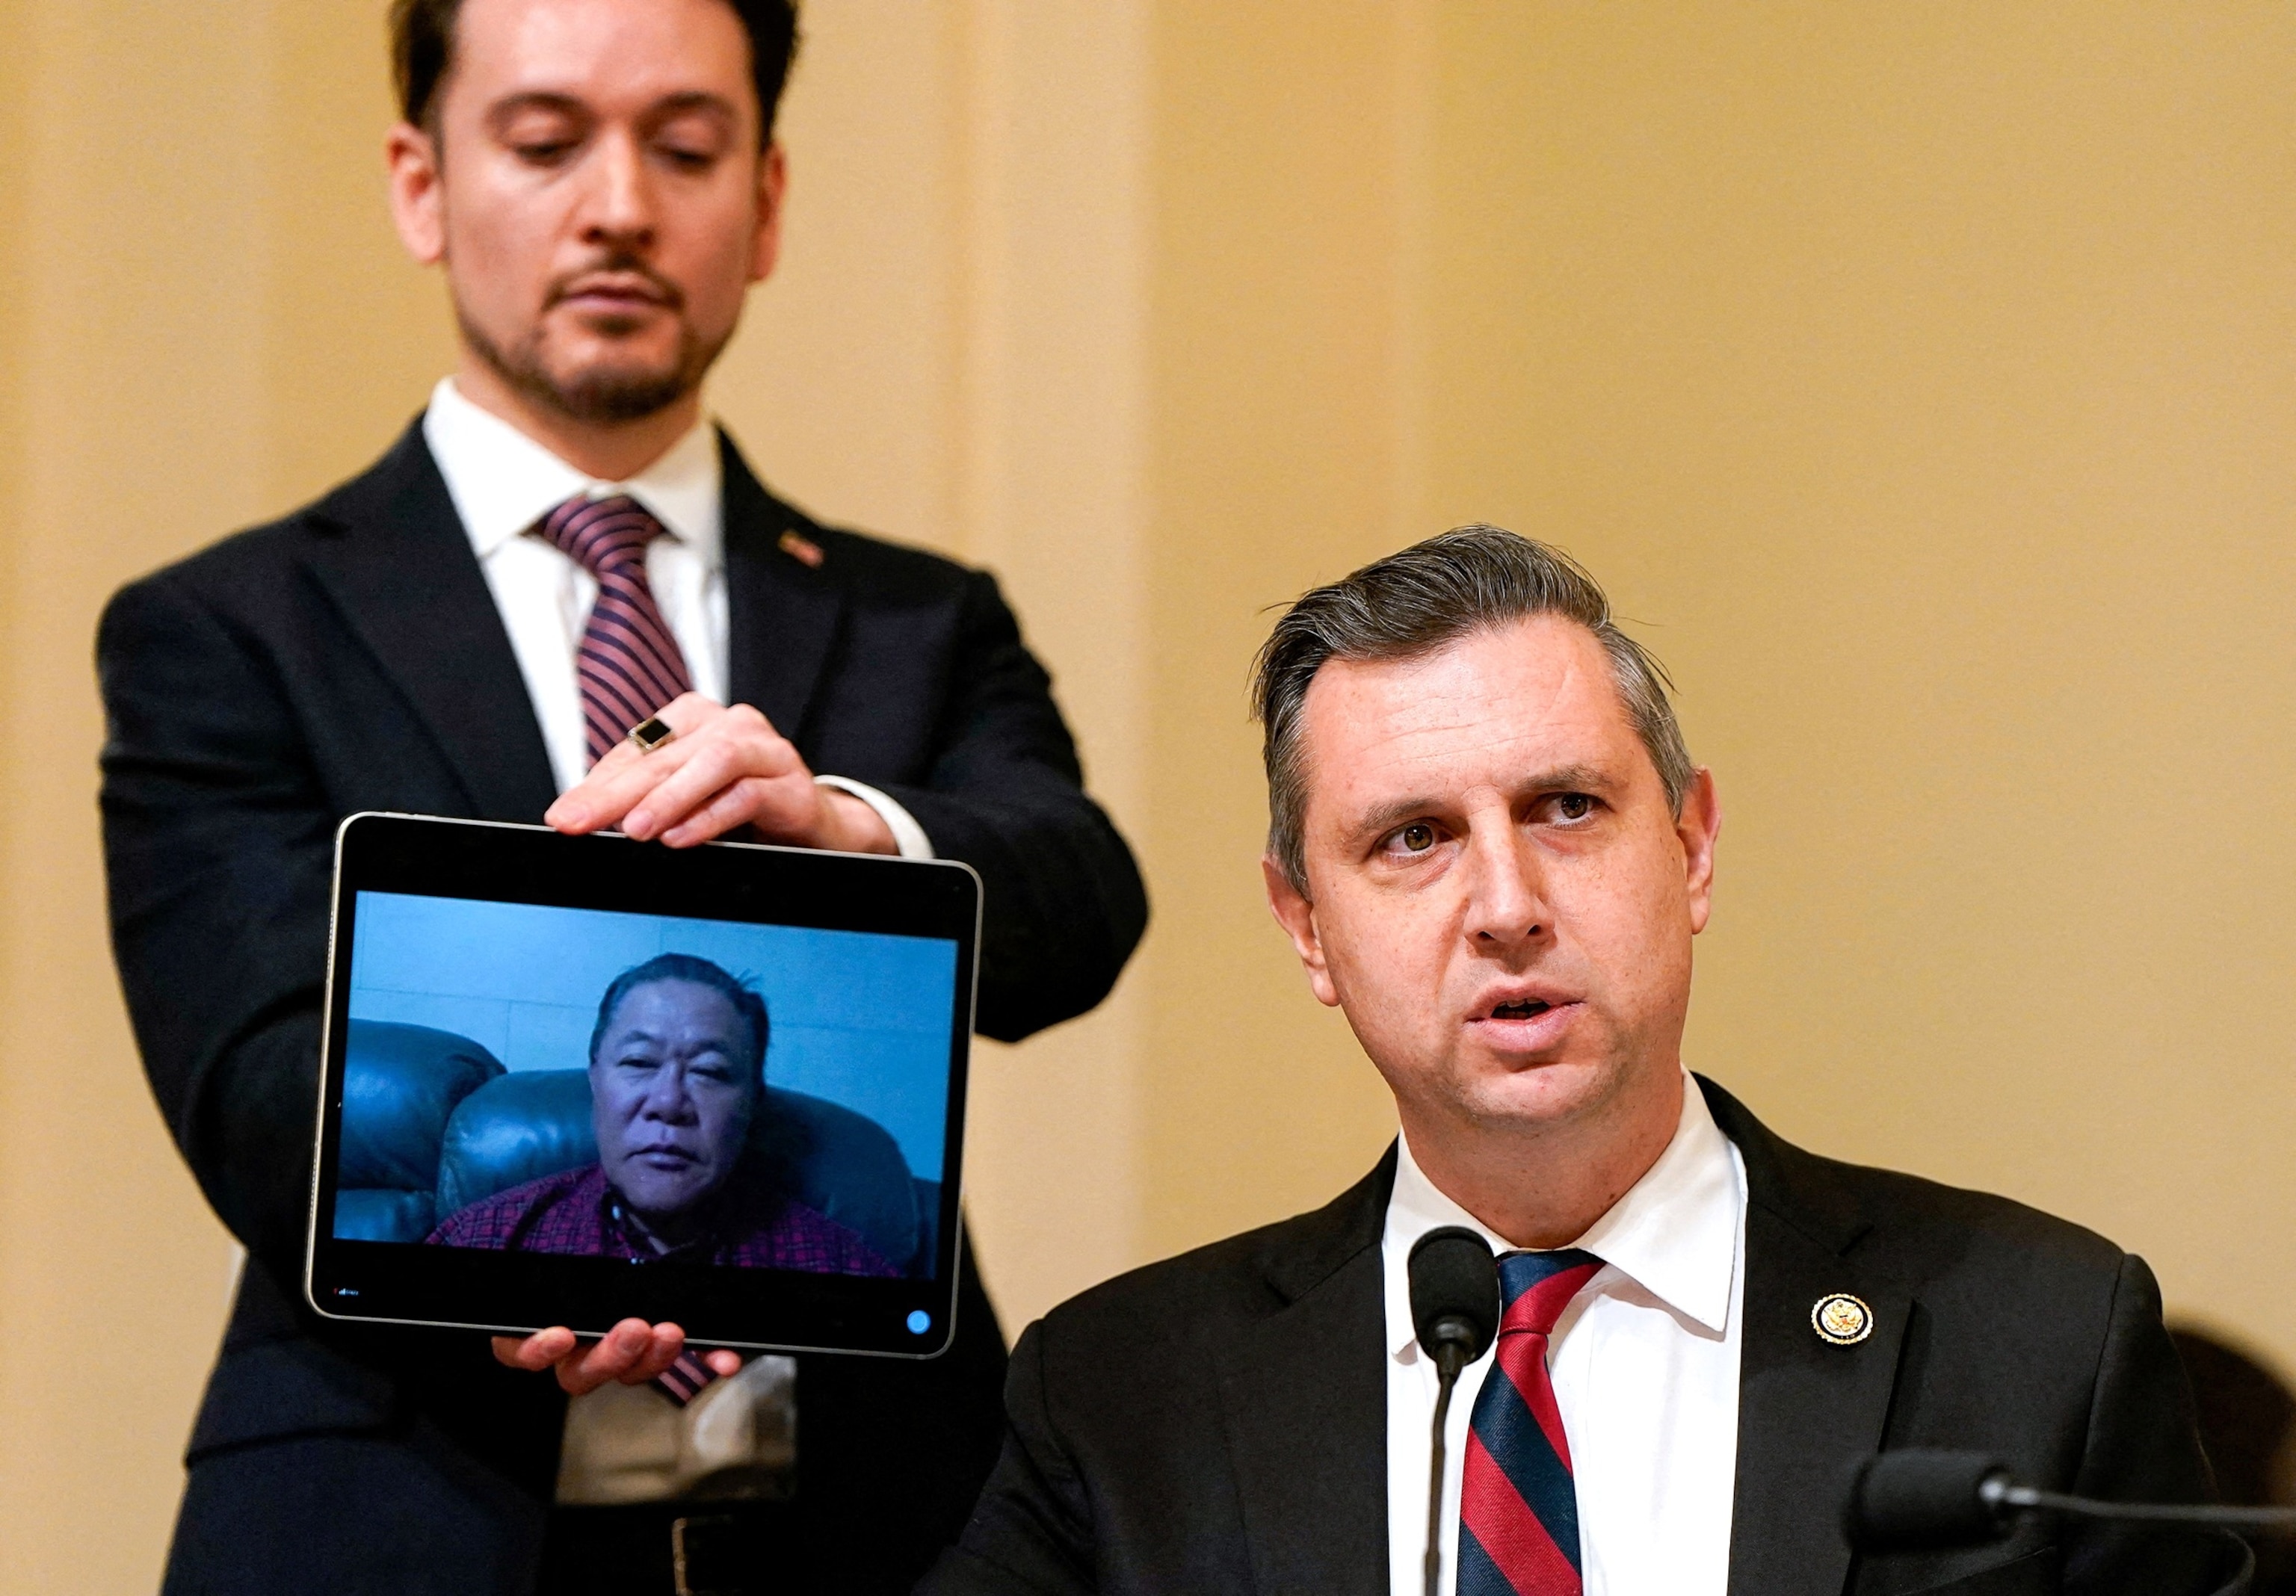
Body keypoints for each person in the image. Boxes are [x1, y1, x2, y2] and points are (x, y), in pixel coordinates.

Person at [96, 0, 1146, 1591]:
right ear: (419, 182)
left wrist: (854, 833)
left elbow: (1083, 897)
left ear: (768, 200)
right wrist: (532, 1248)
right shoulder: (225, 629)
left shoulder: (925, 619)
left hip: (881, 1514)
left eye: (686, 146)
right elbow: (251, 1067)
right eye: (542, 141)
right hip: (400, 1501)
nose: (620, 207)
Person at [919, 527, 2247, 1596]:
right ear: (1306, 928)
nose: (1504, 903)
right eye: (1412, 837)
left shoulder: (2039, 1340)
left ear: (1693, 848)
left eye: (1567, 808)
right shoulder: (1119, 1397)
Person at [428, 955, 896, 1275]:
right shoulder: (486, 1240)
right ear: (594, 1078)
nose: (668, 1104)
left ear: (753, 1098)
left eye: (709, 1071)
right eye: (638, 1063)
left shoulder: (840, 1267)